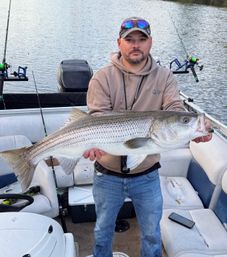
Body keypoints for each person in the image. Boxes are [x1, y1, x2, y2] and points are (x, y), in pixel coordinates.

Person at [83, 17, 212, 257]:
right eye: (129, 39)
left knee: (152, 232)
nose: (135, 45)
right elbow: (98, 116)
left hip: (147, 176)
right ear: (119, 43)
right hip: (107, 174)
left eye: (141, 39)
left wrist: (191, 129)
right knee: (102, 230)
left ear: (150, 42)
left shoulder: (164, 77)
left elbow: (175, 108)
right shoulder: (102, 77)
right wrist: (93, 145)